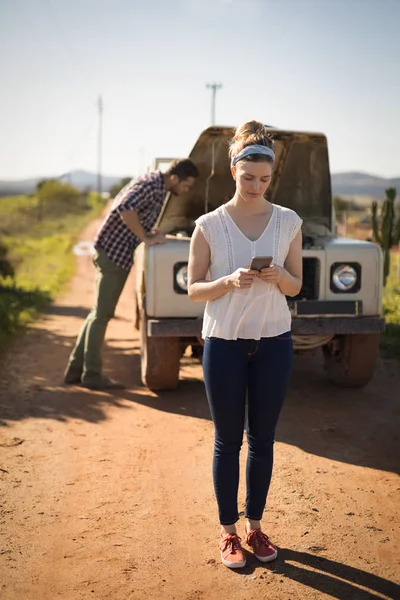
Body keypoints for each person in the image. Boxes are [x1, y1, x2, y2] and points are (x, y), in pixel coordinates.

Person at [188, 121, 302, 568]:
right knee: (227, 440)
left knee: (264, 439)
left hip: (274, 342)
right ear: (233, 170)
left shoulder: (288, 221)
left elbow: (295, 287)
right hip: (224, 343)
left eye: (264, 179)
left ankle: (255, 528)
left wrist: (281, 277)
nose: (256, 186)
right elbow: (194, 289)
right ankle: (228, 533)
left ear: (271, 178)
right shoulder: (209, 225)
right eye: (248, 176)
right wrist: (227, 281)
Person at [64, 159, 199, 390]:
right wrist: (145, 238)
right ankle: (92, 374)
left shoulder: (156, 186)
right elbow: (125, 208)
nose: (186, 190)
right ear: (175, 178)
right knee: (102, 315)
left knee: (98, 312)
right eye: (186, 185)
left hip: (112, 252)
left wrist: (148, 231)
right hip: (112, 254)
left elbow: (136, 212)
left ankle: (75, 370)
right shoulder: (150, 184)